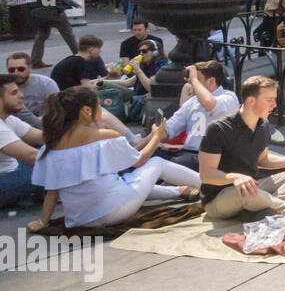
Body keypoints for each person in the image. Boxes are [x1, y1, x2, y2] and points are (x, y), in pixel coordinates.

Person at [28, 87, 200, 230]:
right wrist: (156, 137)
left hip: (80, 220)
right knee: (157, 163)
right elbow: (139, 161)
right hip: (115, 211)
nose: (102, 109)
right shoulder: (105, 136)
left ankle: (178, 192)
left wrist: (42, 222)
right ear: (87, 111)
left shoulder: (51, 146)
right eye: (99, 105)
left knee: (124, 180)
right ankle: (210, 184)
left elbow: (52, 191)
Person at [197, 75, 285, 219]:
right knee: (246, 192)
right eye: (269, 100)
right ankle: (284, 205)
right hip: (220, 199)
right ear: (250, 100)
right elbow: (206, 175)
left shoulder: (263, 125)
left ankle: (266, 209)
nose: (274, 105)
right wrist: (235, 177)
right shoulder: (218, 129)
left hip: (253, 187)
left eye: (274, 100)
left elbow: (263, 160)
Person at [158, 62, 239, 170]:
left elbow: (209, 104)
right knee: (153, 157)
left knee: (161, 165)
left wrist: (194, 80)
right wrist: (140, 146)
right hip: (187, 154)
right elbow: (168, 129)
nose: (191, 84)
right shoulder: (191, 102)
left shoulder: (228, 98)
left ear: (211, 81)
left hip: (213, 158)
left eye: (196, 80)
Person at [0, 74, 44, 206]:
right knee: (49, 168)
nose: (21, 95)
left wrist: (76, 137)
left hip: (12, 169)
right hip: (4, 178)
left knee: (50, 155)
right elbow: (32, 156)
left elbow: (42, 137)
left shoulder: (8, 118)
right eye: (14, 93)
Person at [29, 0, 78, 68]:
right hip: (54, 10)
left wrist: (70, 2)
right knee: (68, 33)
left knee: (42, 35)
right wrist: (60, 7)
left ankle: (35, 60)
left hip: (46, 10)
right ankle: (81, 56)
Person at [4, 53, 60, 129]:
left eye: (21, 69)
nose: (16, 73)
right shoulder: (5, 88)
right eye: (11, 70)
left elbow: (58, 108)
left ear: (30, 67)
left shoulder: (46, 83)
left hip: (45, 125)